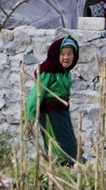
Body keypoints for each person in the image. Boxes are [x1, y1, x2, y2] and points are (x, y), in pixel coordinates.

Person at [24, 34, 81, 166]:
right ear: (56, 54)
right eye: (62, 54)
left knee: (70, 145)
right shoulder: (48, 72)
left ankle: (68, 170)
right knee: (57, 146)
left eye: (69, 54)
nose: (66, 57)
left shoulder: (65, 73)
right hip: (50, 116)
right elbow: (35, 95)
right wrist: (29, 117)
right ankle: (58, 171)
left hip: (63, 115)